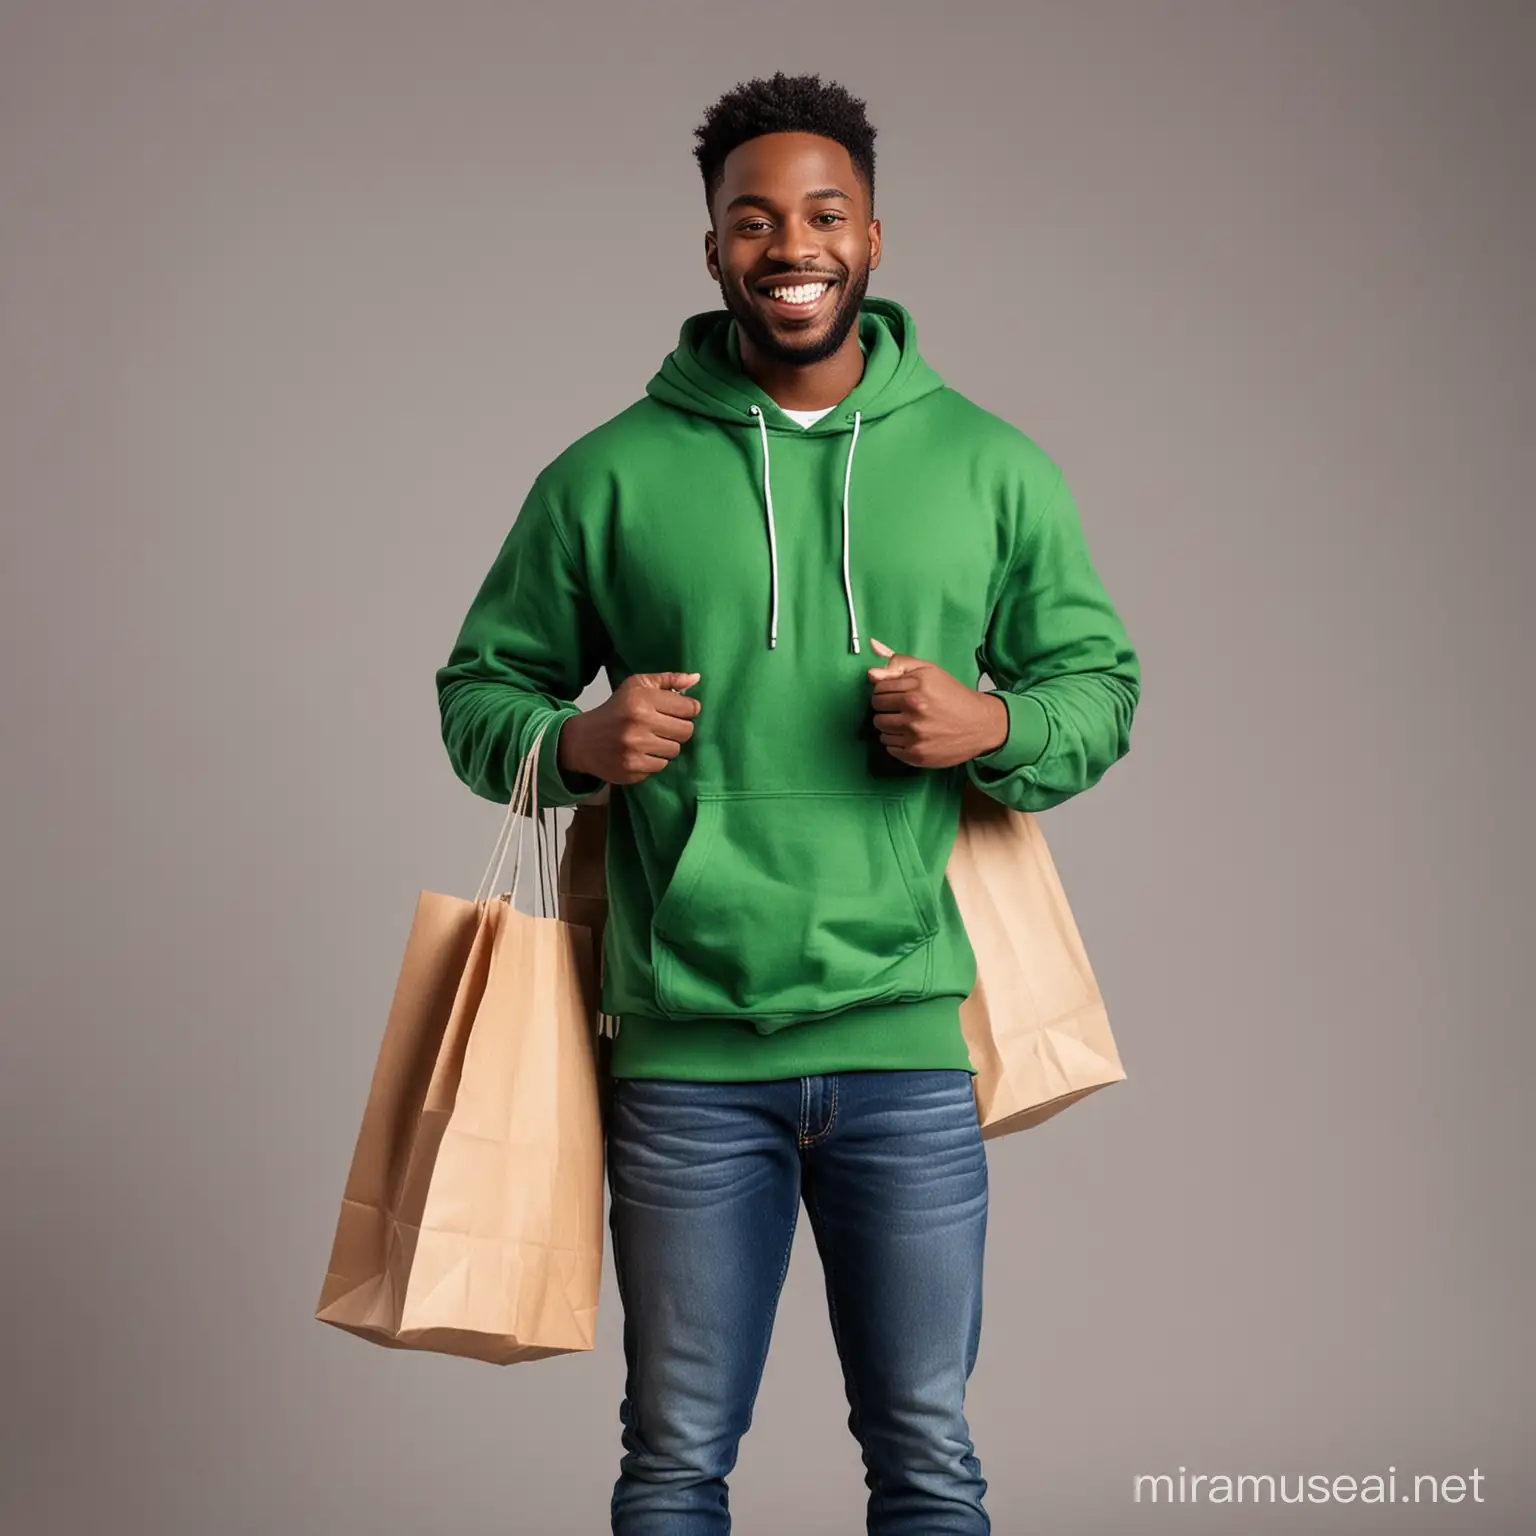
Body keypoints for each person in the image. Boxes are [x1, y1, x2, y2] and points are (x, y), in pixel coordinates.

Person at [436, 69, 1139, 1536]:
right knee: (675, 1466)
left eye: (822, 214)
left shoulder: (991, 467)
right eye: (751, 220)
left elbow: (1099, 692)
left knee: (930, 1462)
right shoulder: (608, 478)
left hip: (904, 1050)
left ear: (874, 238)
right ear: (711, 252)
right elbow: (475, 701)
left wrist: (992, 721)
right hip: (685, 1061)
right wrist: (579, 745)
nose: (789, 244)